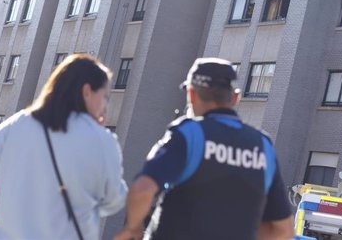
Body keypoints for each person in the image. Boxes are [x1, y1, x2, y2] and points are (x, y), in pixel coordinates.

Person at [114, 57, 294, 240]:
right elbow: (282, 230)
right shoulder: (263, 146)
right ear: (235, 98)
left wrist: (133, 228)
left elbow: (142, 190)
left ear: (191, 95)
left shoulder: (189, 134)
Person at [0, 54, 127, 239]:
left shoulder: (18, 124)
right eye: (105, 97)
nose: (105, 105)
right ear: (87, 92)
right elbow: (113, 201)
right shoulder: (101, 139)